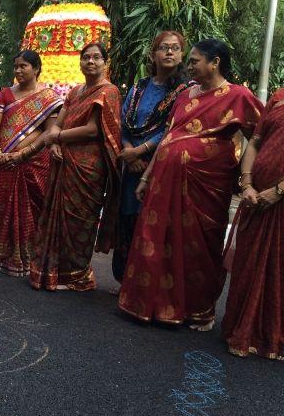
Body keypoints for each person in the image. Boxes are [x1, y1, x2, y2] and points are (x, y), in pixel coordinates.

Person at [118, 39, 262, 330]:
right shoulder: (185, 95)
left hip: (207, 187)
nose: (190, 64)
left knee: (199, 248)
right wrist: (146, 177)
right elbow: (170, 137)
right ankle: (151, 305)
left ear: (215, 62)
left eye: (195, 60)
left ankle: (198, 310)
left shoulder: (239, 96)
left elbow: (261, 136)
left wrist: (244, 176)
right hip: (162, 183)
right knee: (157, 240)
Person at [30, 42, 122, 291]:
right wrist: (54, 143)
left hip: (88, 167)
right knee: (56, 217)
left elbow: (93, 130)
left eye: (96, 58)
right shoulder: (75, 92)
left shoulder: (108, 91)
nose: (90, 62)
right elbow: (58, 124)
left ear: (105, 63)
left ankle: (78, 276)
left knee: (79, 221)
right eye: (86, 58)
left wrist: (56, 138)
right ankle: (54, 272)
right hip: (63, 160)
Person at [112, 31, 192, 281]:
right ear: (153, 54)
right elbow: (124, 123)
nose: (169, 52)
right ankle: (126, 279)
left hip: (160, 164)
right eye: (164, 48)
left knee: (154, 222)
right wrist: (129, 151)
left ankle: (146, 282)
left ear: (182, 55)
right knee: (128, 217)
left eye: (175, 48)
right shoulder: (139, 87)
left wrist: (140, 151)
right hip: (130, 164)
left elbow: (174, 128)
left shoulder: (185, 92)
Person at [0, 51, 63, 276]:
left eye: (23, 66)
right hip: (3, 160)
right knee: (1, 206)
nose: (17, 70)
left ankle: (30, 257)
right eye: (15, 66)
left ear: (36, 68)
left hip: (33, 163)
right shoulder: (5, 94)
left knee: (33, 209)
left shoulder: (48, 98)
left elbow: (49, 132)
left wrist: (23, 153)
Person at [222, 88, 284, 359]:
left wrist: (279, 191)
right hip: (256, 197)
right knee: (249, 260)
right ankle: (242, 329)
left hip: (277, 199)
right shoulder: (279, 96)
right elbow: (256, 142)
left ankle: (272, 336)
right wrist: (246, 183)